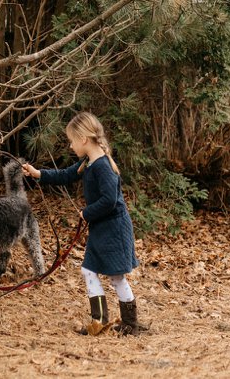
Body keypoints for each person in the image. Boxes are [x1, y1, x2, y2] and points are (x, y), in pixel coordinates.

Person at [21, 111, 145, 336]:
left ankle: (129, 323)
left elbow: (109, 201)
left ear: (84, 139)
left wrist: (87, 212)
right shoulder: (88, 162)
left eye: (71, 141)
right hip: (103, 227)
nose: (70, 146)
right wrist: (38, 174)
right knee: (90, 270)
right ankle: (101, 322)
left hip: (114, 229)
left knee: (115, 277)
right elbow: (65, 175)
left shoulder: (102, 167)